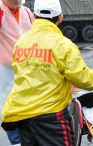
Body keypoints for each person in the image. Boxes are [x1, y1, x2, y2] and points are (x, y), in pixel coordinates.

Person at [1, 0, 93, 146]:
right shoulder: (63, 45)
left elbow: (29, 74)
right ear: (60, 18)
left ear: (34, 16)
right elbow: (85, 79)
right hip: (51, 118)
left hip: (20, 116)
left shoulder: (21, 43)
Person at [0, 0, 34, 145]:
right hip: (6, 72)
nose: (17, 0)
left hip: (28, 69)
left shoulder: (26, 12)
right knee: (9, 108)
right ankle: (16, 142)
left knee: (30, 107)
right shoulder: (1, 12)